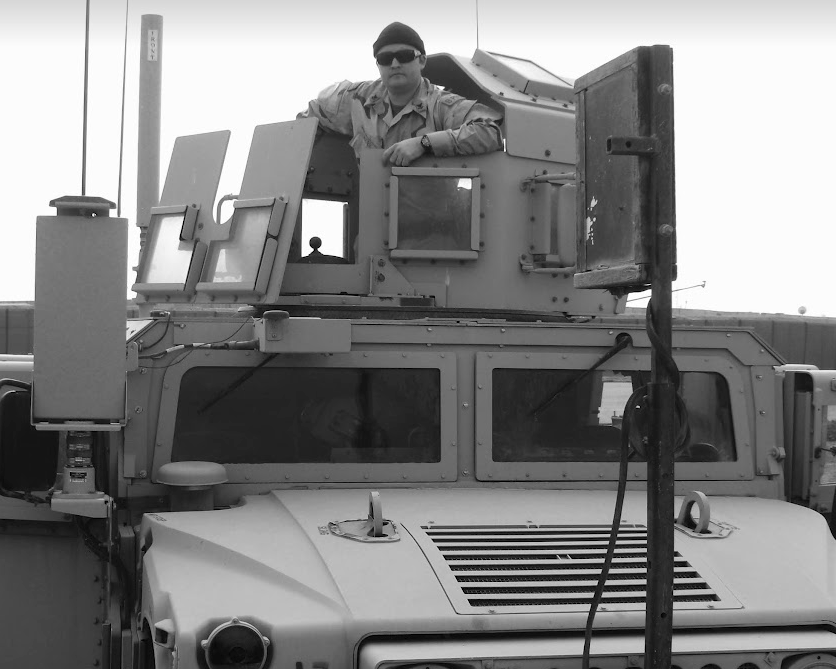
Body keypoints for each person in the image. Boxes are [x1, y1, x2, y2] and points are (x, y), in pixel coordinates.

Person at [299, 22, 502, 167]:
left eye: (404, 56)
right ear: (378, 65)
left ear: (421, 61)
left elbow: (490, 132)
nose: (395, 64)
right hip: (373, 208)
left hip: (433, 212)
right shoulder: (355, 99)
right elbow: (307, 120)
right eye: (385, 58)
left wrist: (424, 143)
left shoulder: (441, 106)